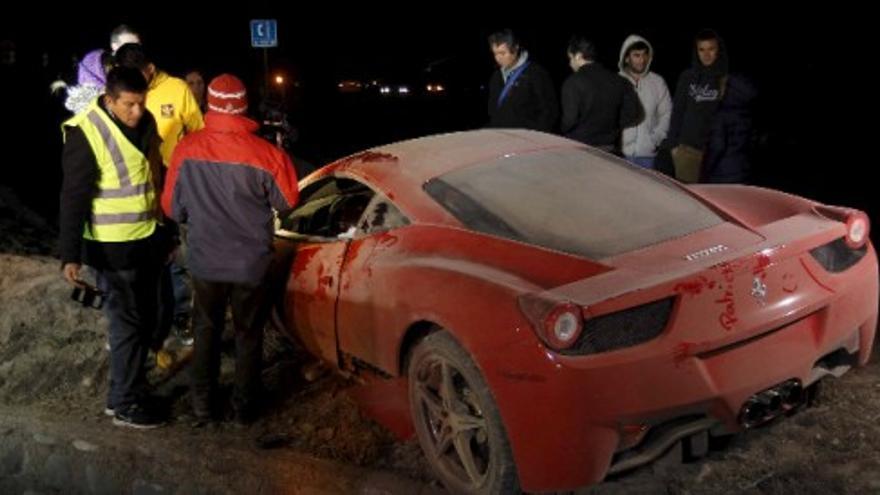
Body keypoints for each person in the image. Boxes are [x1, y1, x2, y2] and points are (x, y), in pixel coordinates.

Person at [161, 74, 299, 424]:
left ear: (209, 104)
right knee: (248, 333)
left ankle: (203, 406)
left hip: (206, 262)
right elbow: (287, 202)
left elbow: (171, 209)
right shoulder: (267, 154)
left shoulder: (186, 149)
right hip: (251, 264)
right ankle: (244, 408)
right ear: (244, 105)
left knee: (206, 329)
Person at [59, 66, 168, 428]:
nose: (137, 112)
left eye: (141, 103)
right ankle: (124, 403)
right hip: (110, 248)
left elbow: (149, 176)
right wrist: (69, 255)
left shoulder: (145, 121)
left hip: (144, 240)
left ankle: (126, 392)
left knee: (143, 321)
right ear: (109, 100)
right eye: (129, 105)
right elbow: (73, 198)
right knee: (126, 326)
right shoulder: (85, 133)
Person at [665, 29, 729, 183]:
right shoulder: (688, 77)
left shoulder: (725, 80)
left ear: (718, 50)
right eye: (702, 49)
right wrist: (674, 146)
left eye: (711, 49)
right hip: (687, 151)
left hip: (715, 155)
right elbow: (677, 112)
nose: (706, 54)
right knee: (688, 200)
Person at [560, 35, 642, 154]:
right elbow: (633, 113)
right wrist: (614, 126)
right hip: (609, 151)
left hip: (580, 152)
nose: (570, 63)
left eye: (570, 58)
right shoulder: (619, 81)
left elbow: (569, 120)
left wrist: (562, 130)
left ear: (578, 56)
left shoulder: (572, 82)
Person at [486, 29, 558, 132]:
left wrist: (536, 135)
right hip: (501, 137)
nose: (498, 58)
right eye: (495, 54)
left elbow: (549, 111)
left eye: (502, 53)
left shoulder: (536, 73)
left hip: (527, 140)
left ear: (515, 48)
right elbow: (492, 111)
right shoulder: (496, 76)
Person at [618, 34, 672, 168]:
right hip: (620, 156)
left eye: (644, 55)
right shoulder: (616, 82)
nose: (641, 60)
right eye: (636, 55)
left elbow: (667, 114)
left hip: (648, 156)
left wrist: (655, 139)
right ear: (626, 57)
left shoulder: (658, 82)